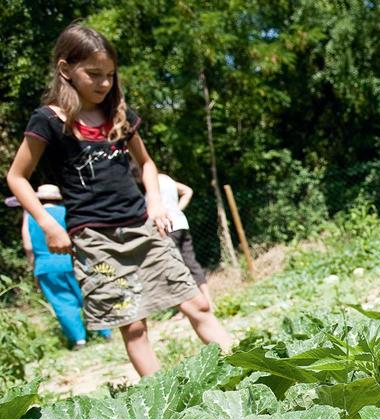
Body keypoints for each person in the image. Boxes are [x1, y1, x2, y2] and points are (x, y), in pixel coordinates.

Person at [5, 22, 232, 378]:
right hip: (96, 241)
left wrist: (155, 202)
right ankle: (164, 404)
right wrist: (48, 223)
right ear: (65, 70)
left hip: (142, 227)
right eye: (94, 74)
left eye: (110, 75)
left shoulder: (119, 116)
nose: (104, 83)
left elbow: (147, 164)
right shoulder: (48, 121)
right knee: (134, 325)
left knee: (198, 303)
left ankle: (245, 372)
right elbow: (16, 178)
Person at [7, 184, 111, 347]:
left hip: (46, 267)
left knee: (62, 303)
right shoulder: (67, 212)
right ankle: (105, 332)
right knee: (88, 296)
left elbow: (28, 247)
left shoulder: (32, 218)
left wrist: (34, 270)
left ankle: (79, 340)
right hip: (73, 261)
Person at [155, 172, 213, 309]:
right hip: (181, 222)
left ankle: (189, 307)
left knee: (177, 267)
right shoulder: (166, 179)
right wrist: (176, 209)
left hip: (168, 226)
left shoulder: (151, 182)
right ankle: (208, 301)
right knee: (191, 262)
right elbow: (188, 191)